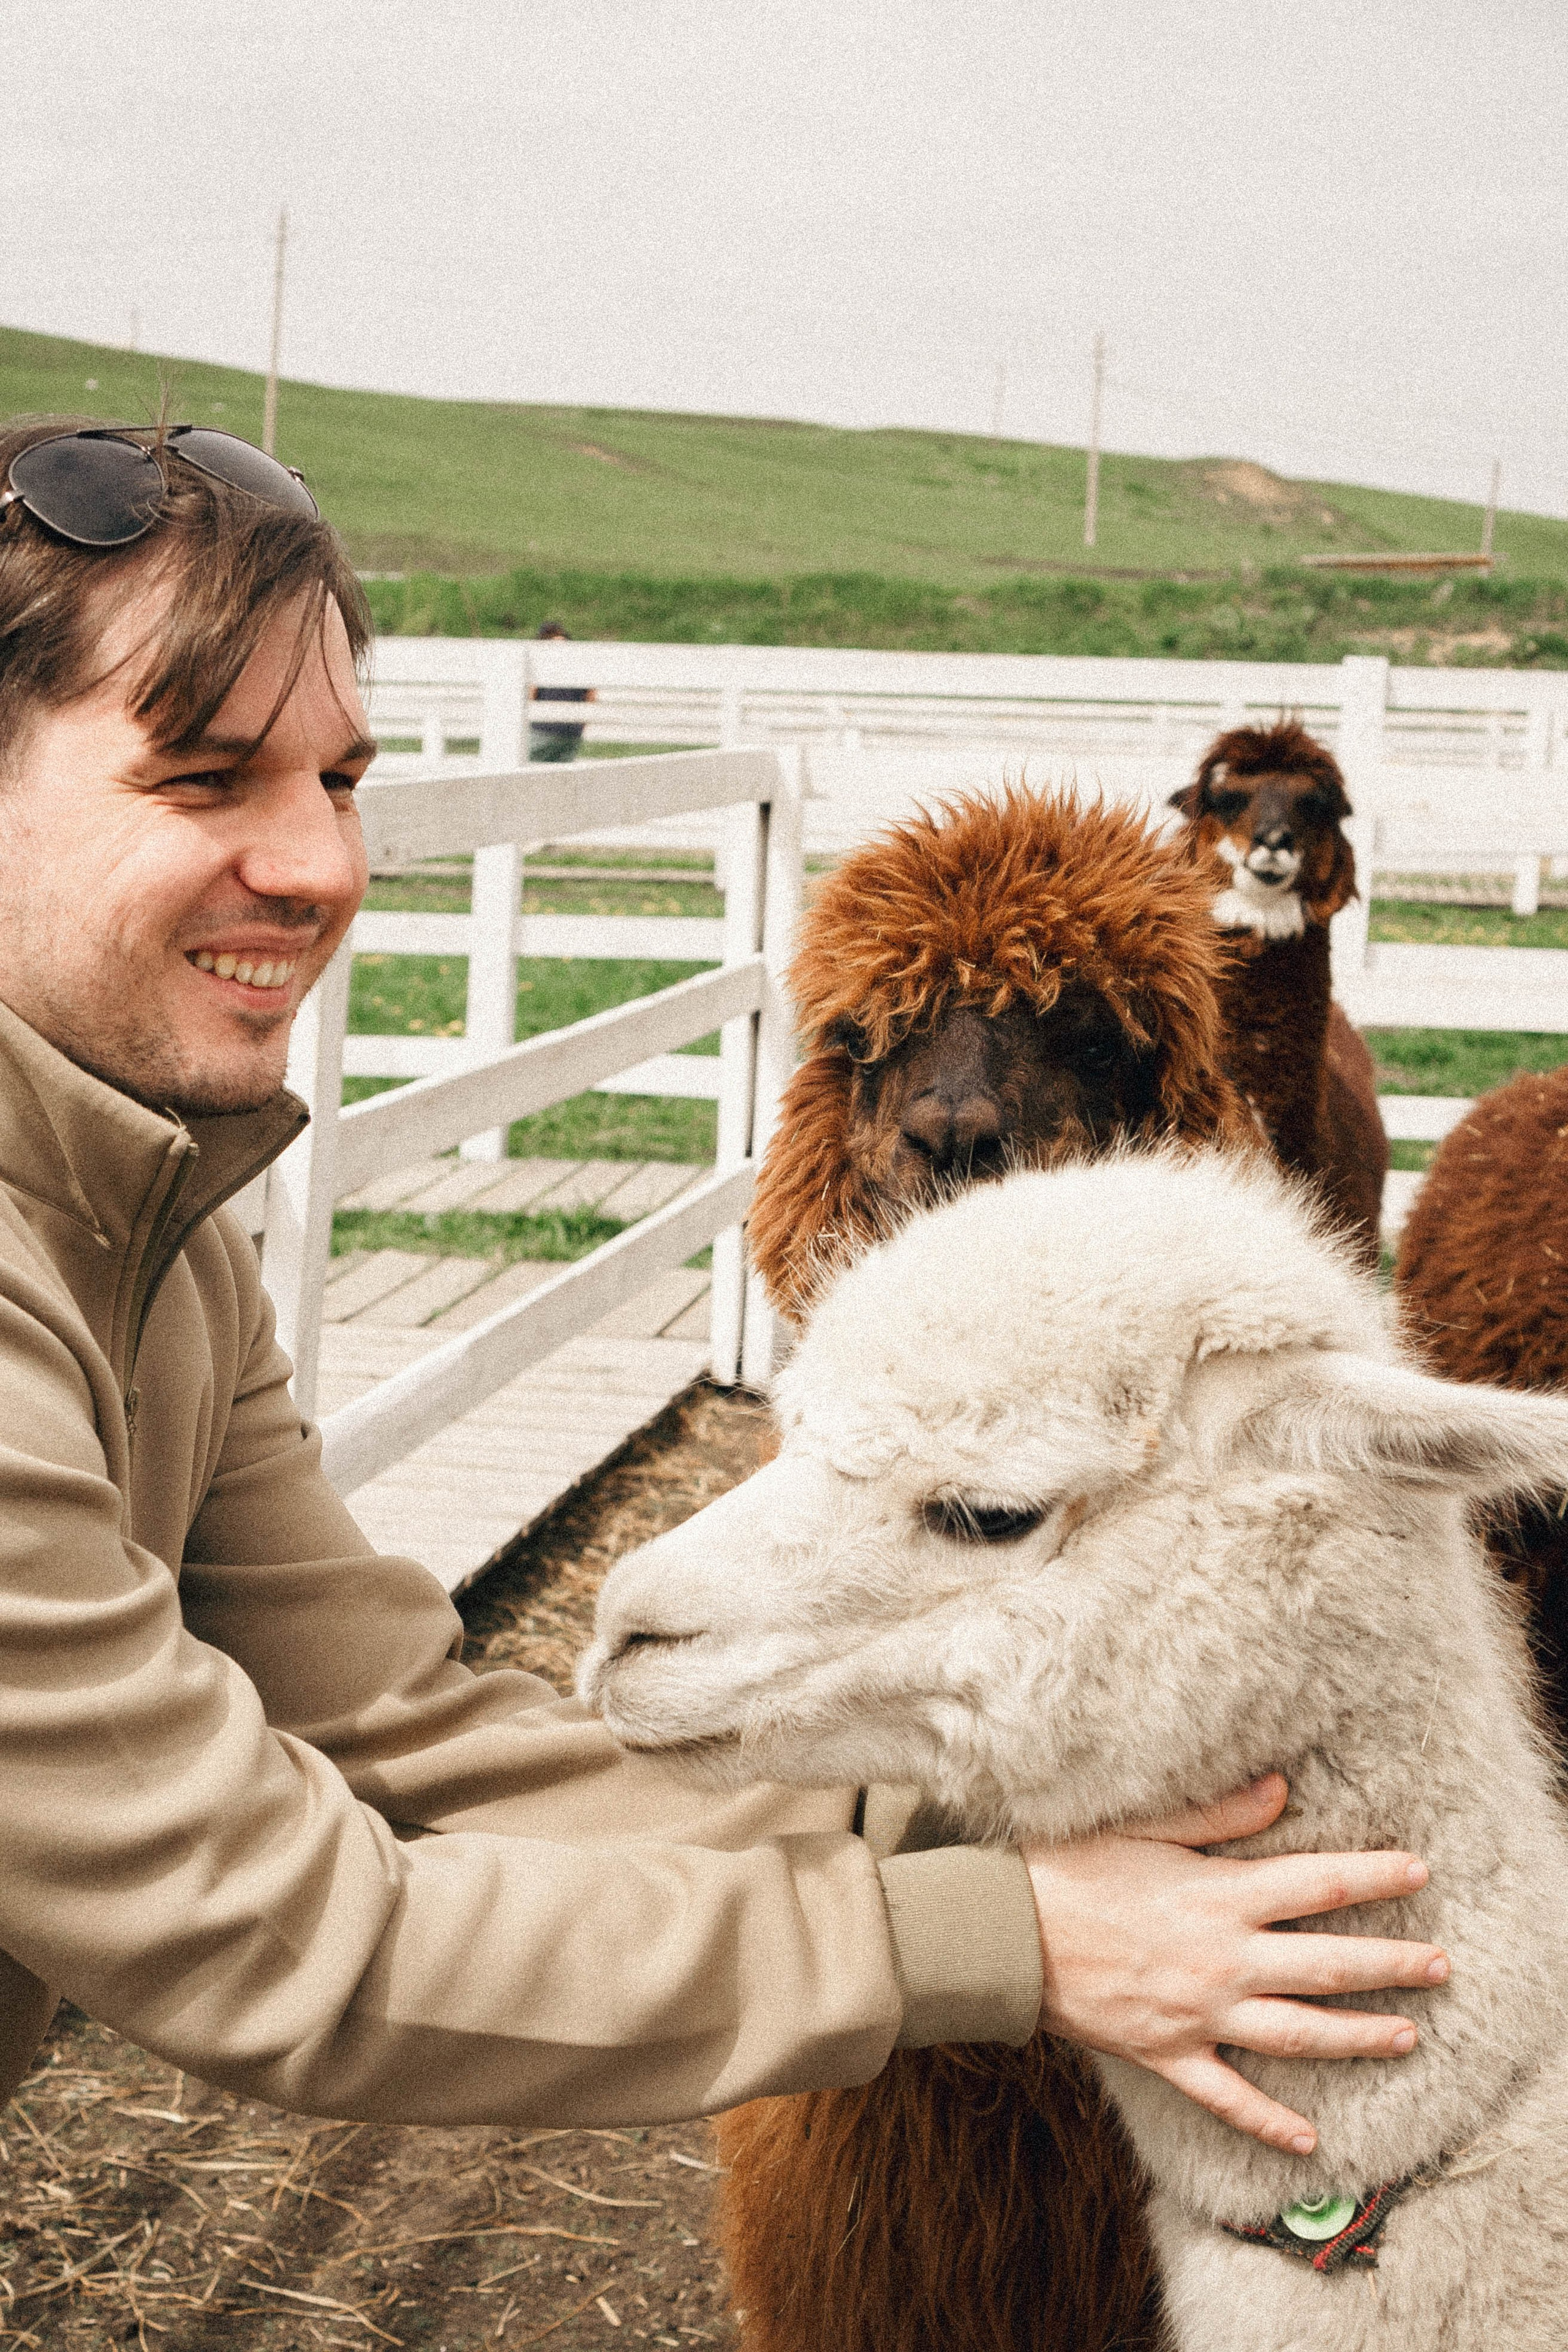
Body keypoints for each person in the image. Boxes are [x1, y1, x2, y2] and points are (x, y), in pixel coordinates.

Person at [0, 417, 1447, 2146]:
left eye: (340, 782)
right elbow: (281, 1928)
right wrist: (997, 1937)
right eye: (204, 778)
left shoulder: (154, 1231)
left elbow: (403, 1727)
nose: (320, 866)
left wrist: (1003, 1816)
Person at [529, 618, 595, 761]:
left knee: (533, 766)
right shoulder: (580, 661)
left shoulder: (543, 658)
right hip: (572, 732)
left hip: (543, 728)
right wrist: (581, 724)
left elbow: (531, 694)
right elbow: (591, 695)